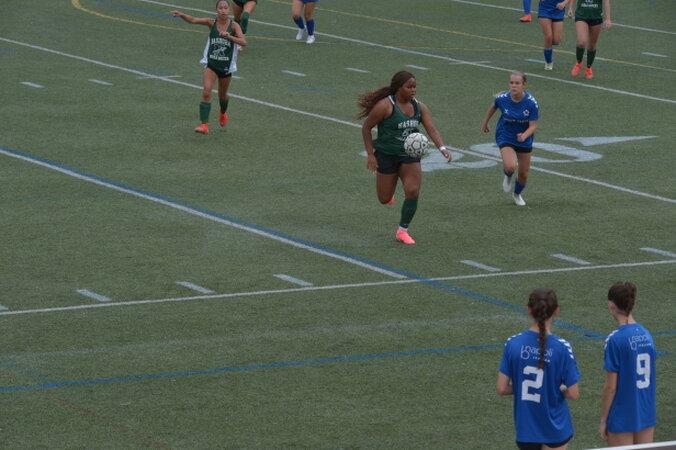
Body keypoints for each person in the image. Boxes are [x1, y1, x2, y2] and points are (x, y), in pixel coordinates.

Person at [357, 71, 452, 245]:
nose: (413, 90)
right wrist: (370, 155)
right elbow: (366, 127)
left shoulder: (420, 107)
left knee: (413, 191)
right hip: (386, 155)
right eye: (409, 87)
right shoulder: (385, 106)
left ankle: (403, 230)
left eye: (414, 87)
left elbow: (431, 129)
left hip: (410, 156)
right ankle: (390, 194)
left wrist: (442, 148)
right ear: (398, 88)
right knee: (384, 199)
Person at [497, 288, 582, 450]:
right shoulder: (562, 348)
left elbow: (502, 388)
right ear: (556, 311)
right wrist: (556, 388)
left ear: (528, 309)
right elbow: (573, 393)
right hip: (555, 428)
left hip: (527, 430)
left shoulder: (513, 344)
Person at [172, 1, 247, 135]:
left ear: (229, 10)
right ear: (216, 10)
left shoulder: (234, 26)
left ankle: (223, 112)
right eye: (220, 8)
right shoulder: (211, 23)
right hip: (211, 63)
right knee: (206, 91)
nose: (223, 10)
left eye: (225, 8)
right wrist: (182, 15)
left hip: (226, 66)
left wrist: (229, 36)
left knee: (222, 95)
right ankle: (204, 125)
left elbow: (243, 42)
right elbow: (193, 20)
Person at [600, 282, 657, 446]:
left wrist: (603, 420)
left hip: (622, 416)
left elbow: (610, 387)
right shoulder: (647, 335)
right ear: (634, 304)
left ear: (611, 305)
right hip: (645, 413)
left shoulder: (615, 340)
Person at [481, 71, 539, 206]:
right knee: (510, 166)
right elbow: (494, 106)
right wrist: (485, 122)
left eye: (517, 83)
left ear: (524, 85)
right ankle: (508, 175)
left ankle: (517, 194)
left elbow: (533, 126)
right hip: (505, 135)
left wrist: (524, 136)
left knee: (523, 174)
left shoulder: (531, 103)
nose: (514, 86)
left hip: (524, 139)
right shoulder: (502, 98)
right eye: (511, 83)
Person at [567, 0, 612, 79]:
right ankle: (579, 63)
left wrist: (608, 19)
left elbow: (606, 1)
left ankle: (588, 68)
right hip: (581, 15)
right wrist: (570, 8)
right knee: (581, 42)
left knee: (592, 46)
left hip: (596, 16)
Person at [537, 0, 569, 70]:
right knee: (548, 37)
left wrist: (564, 3)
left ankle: (548, 50)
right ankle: (548, 62)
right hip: (545, 9)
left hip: (558, 10)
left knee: (556, 41)